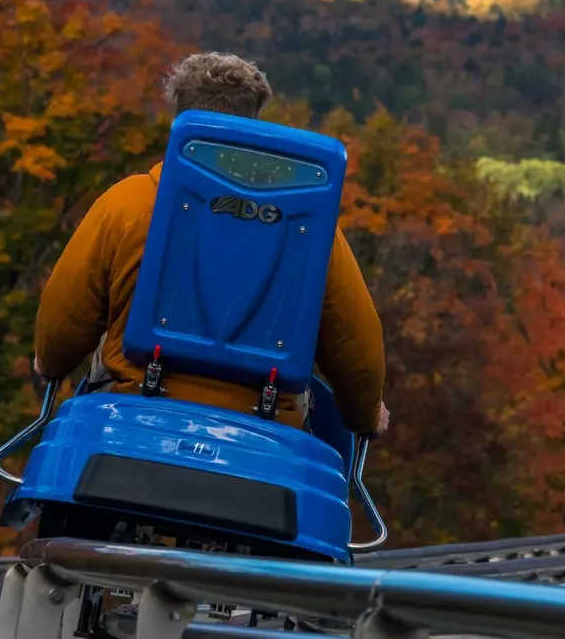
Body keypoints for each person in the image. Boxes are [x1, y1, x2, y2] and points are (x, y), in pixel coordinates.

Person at [32, 51, 389, 438]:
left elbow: (64, 319)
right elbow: (357, 348)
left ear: (179, 120)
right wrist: (366, 416)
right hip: (263, 430)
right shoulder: (312, 228)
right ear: (252, 127)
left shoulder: (128, 204)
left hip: (129, 408)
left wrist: (50, 360)